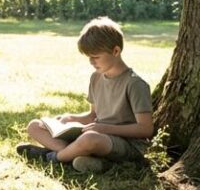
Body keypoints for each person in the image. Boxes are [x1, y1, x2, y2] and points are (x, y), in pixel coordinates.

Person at [17, 17, 154, 173]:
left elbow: (145, 129)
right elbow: (93, 115)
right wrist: (71, 118)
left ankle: (52, 157)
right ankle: (79, 157)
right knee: (35, 126)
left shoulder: (135, 84)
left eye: (95, 57)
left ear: (116, 51)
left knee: (89, 139)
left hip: (126, 144)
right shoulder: (96, 77)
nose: (91, 61)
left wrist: (104, 128)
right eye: (88, 57)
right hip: (96, 134)